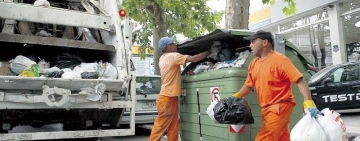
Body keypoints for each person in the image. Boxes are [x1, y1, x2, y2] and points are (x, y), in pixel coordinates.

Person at [232, 30, 322, 141]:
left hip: (279, 107)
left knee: (264, 138)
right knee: (282, 138)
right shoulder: (253, 64)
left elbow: (300, 81)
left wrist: (309, 102)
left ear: (265, 42)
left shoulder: (281, 60)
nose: (250, 45)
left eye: (253, 41)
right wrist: (236, 96)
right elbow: (248, 85)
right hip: (266, 109)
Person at [148, 37, 210, 141]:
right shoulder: (173, 56)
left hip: (168, 97)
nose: (175, 44)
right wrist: (209, 51)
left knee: (173, 126)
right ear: (167, 47)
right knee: (160, 127)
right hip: (167, 98)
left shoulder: (163, 58)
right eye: (172, 43)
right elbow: (194, 59)